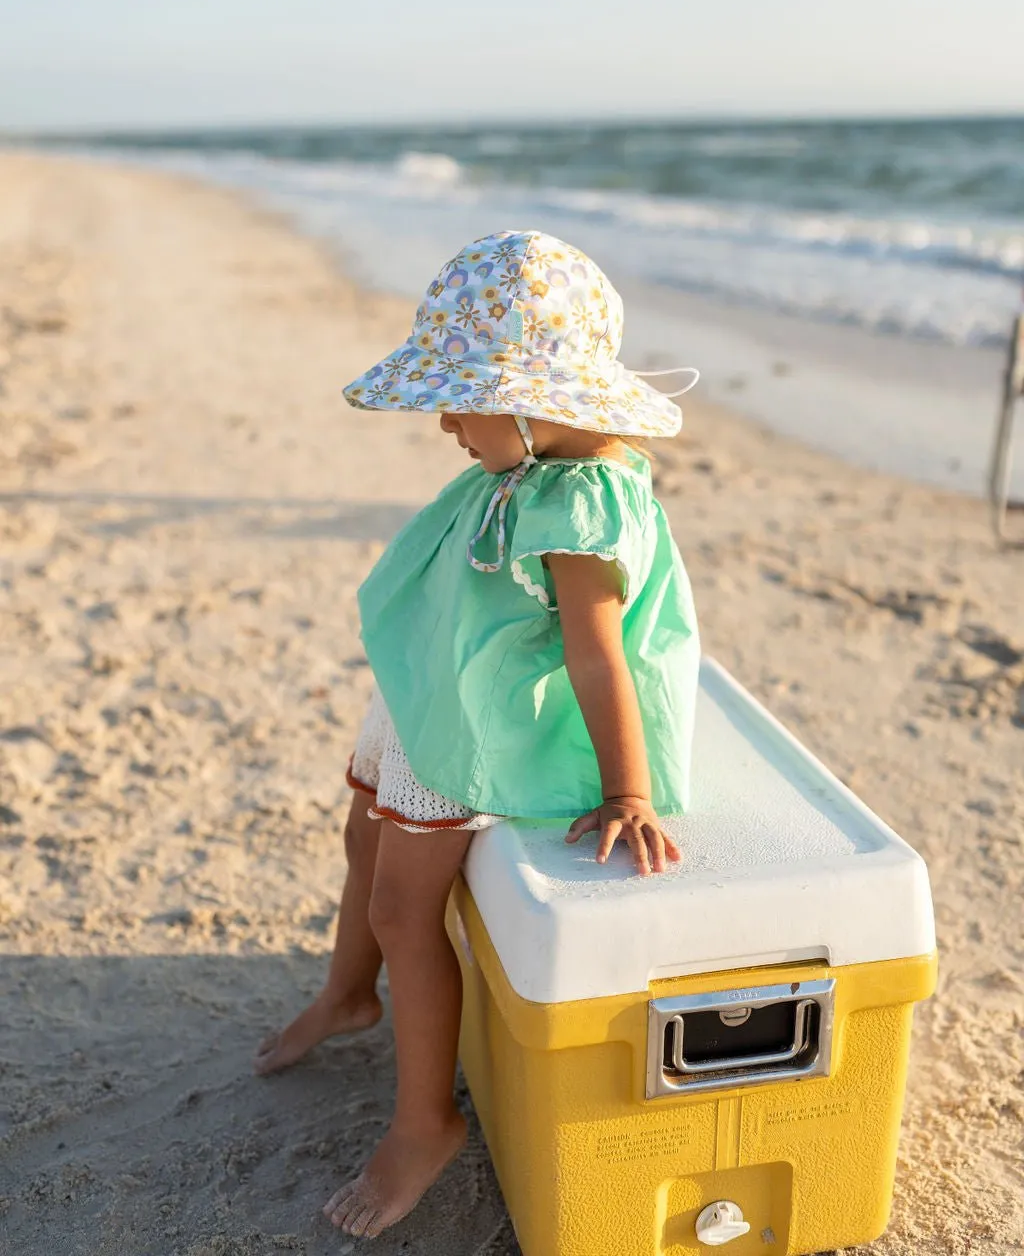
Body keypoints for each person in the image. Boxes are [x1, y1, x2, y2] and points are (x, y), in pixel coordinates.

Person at [254, 230, 701, 1238]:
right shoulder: (536, 465)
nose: (446, 422)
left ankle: (425, 1122)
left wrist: (627, 794)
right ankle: (347, 994)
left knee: (408, 908)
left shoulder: (581, 502)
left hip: (487, 721)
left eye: (460, 399)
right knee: (361, 834)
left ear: (533, 402)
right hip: (440, 690)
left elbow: (599, 656)